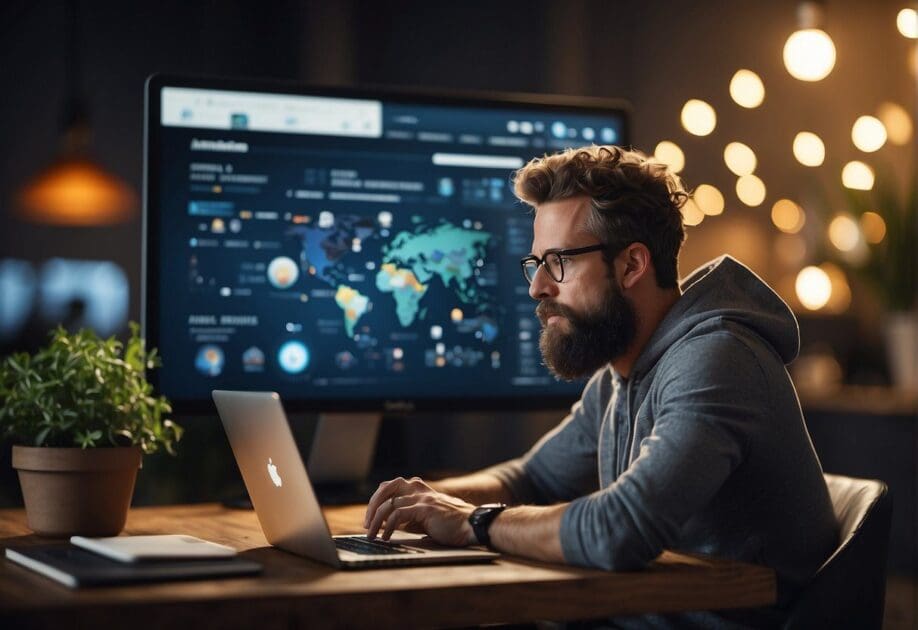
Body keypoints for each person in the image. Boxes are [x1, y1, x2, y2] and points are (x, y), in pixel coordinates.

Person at [363, 145, 838, 627]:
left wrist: (471, 521)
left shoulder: (718, 360)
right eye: (535, 263)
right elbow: (534, 479)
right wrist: (420, 502)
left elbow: (620, 529)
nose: (537, 287)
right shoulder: (622, 373)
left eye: (559, 261)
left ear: (632, 265)